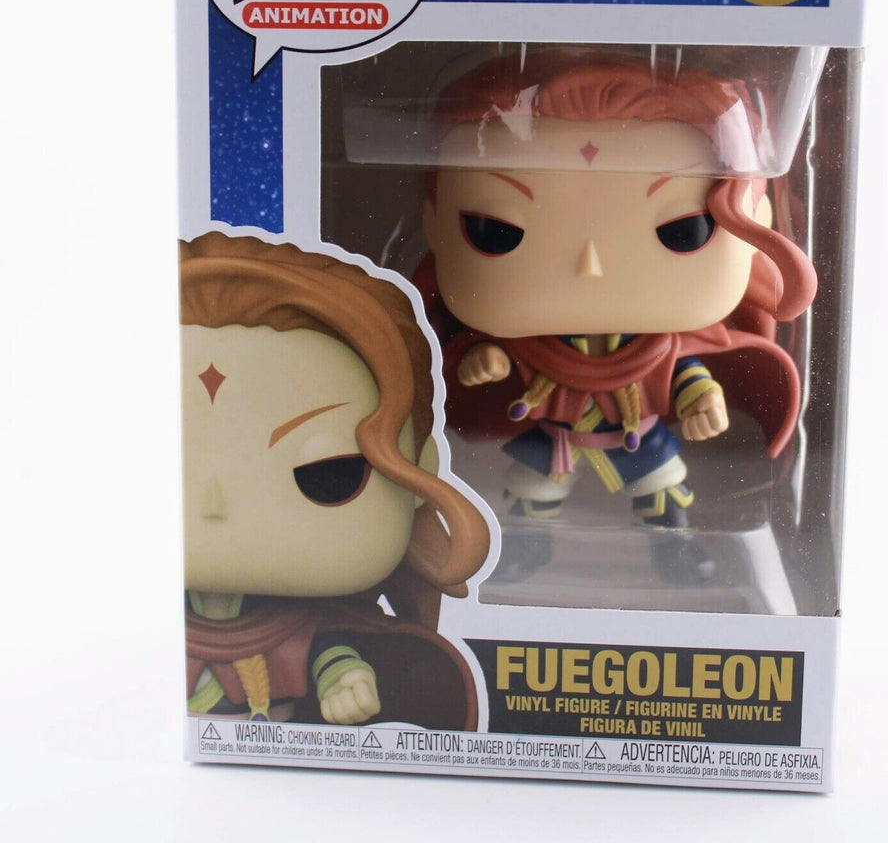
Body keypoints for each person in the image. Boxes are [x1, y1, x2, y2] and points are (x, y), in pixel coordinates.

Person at [420, 51, 817, 528]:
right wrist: (486, 359)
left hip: (639, 436)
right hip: (554, 438)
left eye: (682, 231)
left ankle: (676, 545)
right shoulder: (531, 347)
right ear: (433, 225)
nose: (590, 265)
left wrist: (703, 399)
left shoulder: (659, 347)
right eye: (497, 231)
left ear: (757, 225)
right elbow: (487, 365)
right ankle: (524, 543)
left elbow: (684, 373)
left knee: (663, 489)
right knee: (531, 494)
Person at [180, 232, 490, 725]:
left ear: (419, 469)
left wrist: (345, 677)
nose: (213, 505)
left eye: (326, 474)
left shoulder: (312, 626)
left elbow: (326, 648)